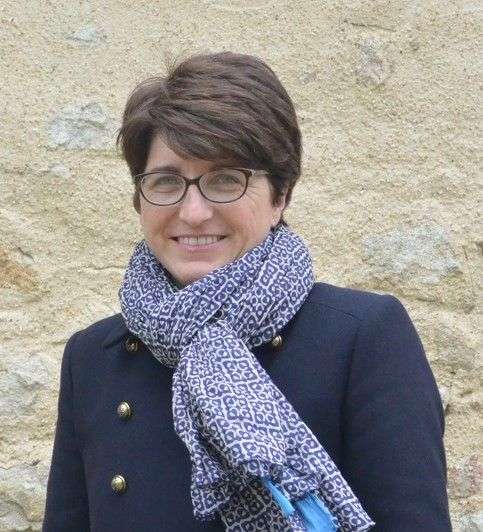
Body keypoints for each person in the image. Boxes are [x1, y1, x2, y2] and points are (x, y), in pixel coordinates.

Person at [42, 51, 452, 531]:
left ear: (280, 195)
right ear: (139, 198)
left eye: (225, 180)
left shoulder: (363, 337)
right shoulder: (93, 357)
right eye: (166, 181)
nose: (193, 212)